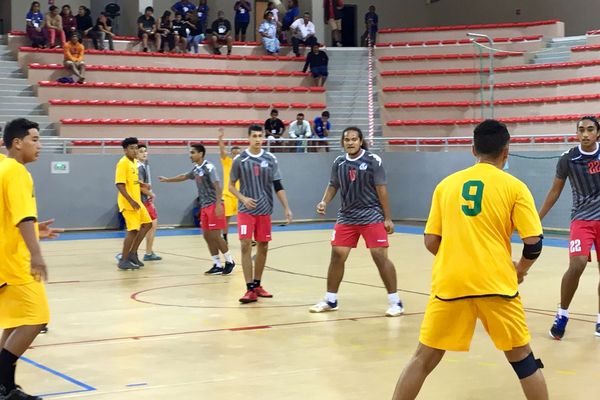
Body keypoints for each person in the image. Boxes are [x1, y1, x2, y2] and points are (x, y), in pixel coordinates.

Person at [391, 119, 548, 400]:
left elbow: (431, 241)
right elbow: (534, 242)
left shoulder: (446, 186)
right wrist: (520, 270)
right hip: (496, 283)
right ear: (506, 152)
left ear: (472, 149)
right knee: (524, 360)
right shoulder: (515, 187)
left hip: (451, 283)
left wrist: (458, 255)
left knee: (423, 358)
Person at [0, 118, 63, 400]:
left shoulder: (2, 167)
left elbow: (9, 216)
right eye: (35, 139)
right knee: (37, 318)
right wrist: (36, 255)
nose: (39, 145)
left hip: (4, 257)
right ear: (17, 143)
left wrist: (36, 231)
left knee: (14, 323)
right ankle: (2, 386)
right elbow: (23, 215)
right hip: (15, 262)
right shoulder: (17, 172)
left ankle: (7, 388)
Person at [309, 127, 403, 316]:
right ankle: (331, 299)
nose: (350, 142)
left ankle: (396, 302)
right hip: (347, 216)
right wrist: (324, 201)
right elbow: (333, 184)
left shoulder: (372, 161)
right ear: (342, 142)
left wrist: (387, 218)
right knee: (337, 255)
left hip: (372, 215)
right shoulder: (339, 162)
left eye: (354, 139)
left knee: (379, 257)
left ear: (361, 141)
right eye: (346, 139)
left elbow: (381, 190)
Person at [538, 115, 600, 339]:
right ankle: (562, 313)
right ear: (577, 133)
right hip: (582, 218)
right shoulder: (568, 159)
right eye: (581, 130)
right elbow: (555, 191)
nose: (585, 134)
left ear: (597, 133)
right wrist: (538, 218)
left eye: (590, 129)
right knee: (578, 263)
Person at [229, 125, 293, 303]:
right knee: (245, 244)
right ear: (248, 138)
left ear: (263, 138)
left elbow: (278, 185)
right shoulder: (239, 160)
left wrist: (286, 208)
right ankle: (249, 288)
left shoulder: (270, 158)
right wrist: (243, 199)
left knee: (263, 246)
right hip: (246, 211)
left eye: (260, 136)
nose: (257, 139)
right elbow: (231, 186)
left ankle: (257, 284)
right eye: (254, 136)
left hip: (265, 210)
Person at [159, 144, 236, 276]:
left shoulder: (209, 167)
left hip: (214, 205)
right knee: (207, 236)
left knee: (216, 236)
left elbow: (217, 186)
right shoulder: (196, 169)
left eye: (193, 152)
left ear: (200, 154)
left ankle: (230, 261)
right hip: (205, 207)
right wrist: (168, 180)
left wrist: (218, 205)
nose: (190, 155)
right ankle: (217, 264)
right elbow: (184, 176)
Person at [115, 137, 153, 270]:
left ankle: (132, 253)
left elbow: (133, 181)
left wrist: (143, 184)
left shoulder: (134, 162)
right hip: (129, 203)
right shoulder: (123, 163)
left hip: (137, 201)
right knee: (133, 230)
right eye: (131, 148)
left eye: (136, 148)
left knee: (148, 224)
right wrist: (130, 201)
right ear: (125, 150)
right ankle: (123, 260)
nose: (135, 150)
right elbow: (120, 184)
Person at [136, 144, 162, 262]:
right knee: (148, 226)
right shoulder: (139, 167)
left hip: (145, 200)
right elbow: (140, 186)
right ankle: (130, 253)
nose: (144, 153)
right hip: (142, 201)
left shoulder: (143, 166)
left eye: (145, 151)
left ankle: (148, 252)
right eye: (141, 151)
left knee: (150, 226)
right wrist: (151, 194)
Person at [218, 128, 242, 243]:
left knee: (244, 218)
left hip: (240, 195)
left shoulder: (244, 164)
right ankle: (225, 237)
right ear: (231, 154)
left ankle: (247, 237)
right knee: (226, 218)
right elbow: (222, 150)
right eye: (234, 153)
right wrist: (221, 138)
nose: (237, 155)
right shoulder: (227, 162)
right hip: (228, 195)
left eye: (239, 154)